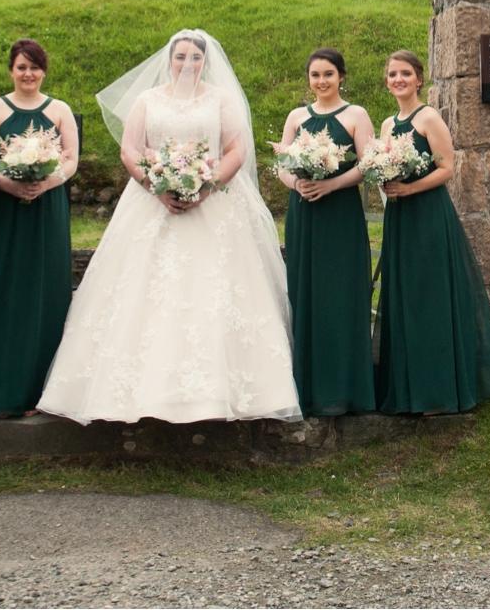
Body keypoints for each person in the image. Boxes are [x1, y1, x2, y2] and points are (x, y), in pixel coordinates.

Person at [36, 29, 302, 424]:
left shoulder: (219, 100)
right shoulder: (148, 100)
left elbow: (235, 150)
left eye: (195, 58)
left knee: (215, 292)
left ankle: (217, 396)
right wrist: (155, 186)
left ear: (205, 62)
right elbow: (130, 149)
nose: (188, 64)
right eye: (181, 57)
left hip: (214, 207)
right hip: (151, 205)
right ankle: (136, 394)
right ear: (170, 60)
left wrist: (207, 186)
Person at [375, 49, 490, 415]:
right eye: (393, 74)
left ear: (419, 79)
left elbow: (447, 168)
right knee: (405, 295)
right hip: (400, 217)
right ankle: (408, 389)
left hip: (427, 213)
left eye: (405, 73)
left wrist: (409, 188)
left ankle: (439, 391)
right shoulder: (389, 124)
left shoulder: (428, 118)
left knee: (430, 294)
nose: (399, 80)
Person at [0, 39, 78, 416]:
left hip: (46, 209)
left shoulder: (59, 110)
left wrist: (46, 182)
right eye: (22, 67)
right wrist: (9, 184)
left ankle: (39, 392)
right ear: (12, 70)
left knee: (42, 289)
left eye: (35, 67)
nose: (28, 74)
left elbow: (71, 159)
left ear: (44, 71)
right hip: (2, 210)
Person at [276, 47, 376, 417]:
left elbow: (367, 164)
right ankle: (308, 387)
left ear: (341, 77)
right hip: (304, 213)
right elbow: (283, 164)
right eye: (315, 75)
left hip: (339, 213)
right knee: (306, 292)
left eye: (328, 75)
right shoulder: (297, 116)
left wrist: (331, 186)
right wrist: (296, 184)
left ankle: (346, 390)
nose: (321, 82)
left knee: (340, 292)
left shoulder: (356, 115)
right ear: (309, 78)